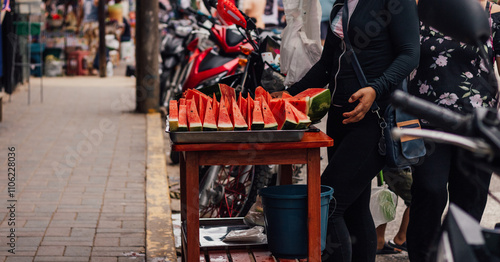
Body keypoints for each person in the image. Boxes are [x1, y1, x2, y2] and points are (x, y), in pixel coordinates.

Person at [272, 0, 420, 261]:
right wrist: (287, 97)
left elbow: (410, 53)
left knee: (327, 205)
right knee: (354, 209)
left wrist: (377, 88)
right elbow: (326, 66)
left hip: (373, 119)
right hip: (339, 119)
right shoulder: (343, 4)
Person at [406, 0, 500, 261]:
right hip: (428, 124)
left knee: (470, 200)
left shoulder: (493, 14)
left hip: (479, 127)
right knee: (429, 190)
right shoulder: (417, 10)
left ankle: (461, 255)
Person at [375, 167, 412, 255]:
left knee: (387, 196)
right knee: (419, 198)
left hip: (388, 162)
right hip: (398, 163)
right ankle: (401, 238)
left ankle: (379, 241)